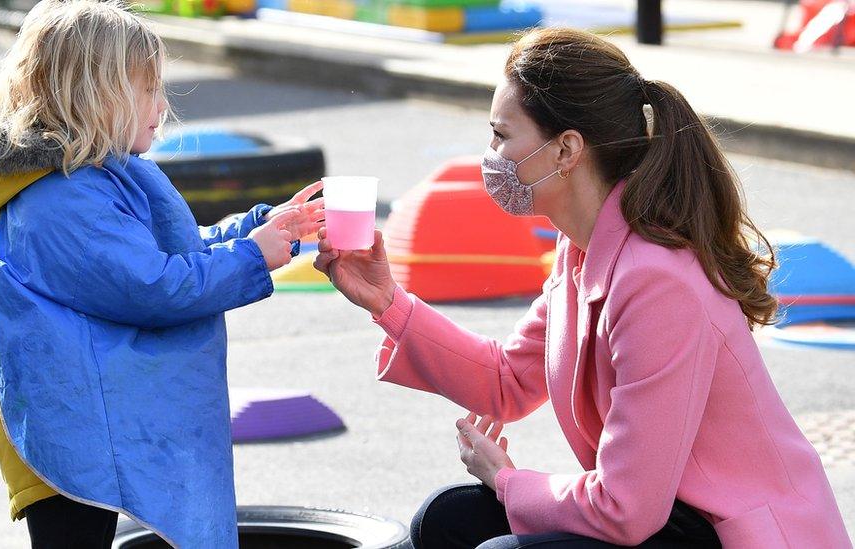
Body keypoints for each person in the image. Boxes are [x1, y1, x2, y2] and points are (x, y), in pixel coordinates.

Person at [314, 27, 851, 549]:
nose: (491, 154)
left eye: (502, 135)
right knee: (447, 520)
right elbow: (507, 381)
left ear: (566, 150)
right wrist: (387, 302)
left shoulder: (657, 283)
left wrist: (507, 482)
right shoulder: (582, 249)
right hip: (666, 521)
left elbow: (626, 509)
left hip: (726, 533)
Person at [0, 1, 324, 546]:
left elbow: (169, 252)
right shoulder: (62, 199)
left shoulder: (90, 177)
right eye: (147, 89)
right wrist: (251, 258)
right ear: (92, 96)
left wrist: (257, 230)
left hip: (91, 415)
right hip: (76, 429)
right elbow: (153, 285)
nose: (162, 105)